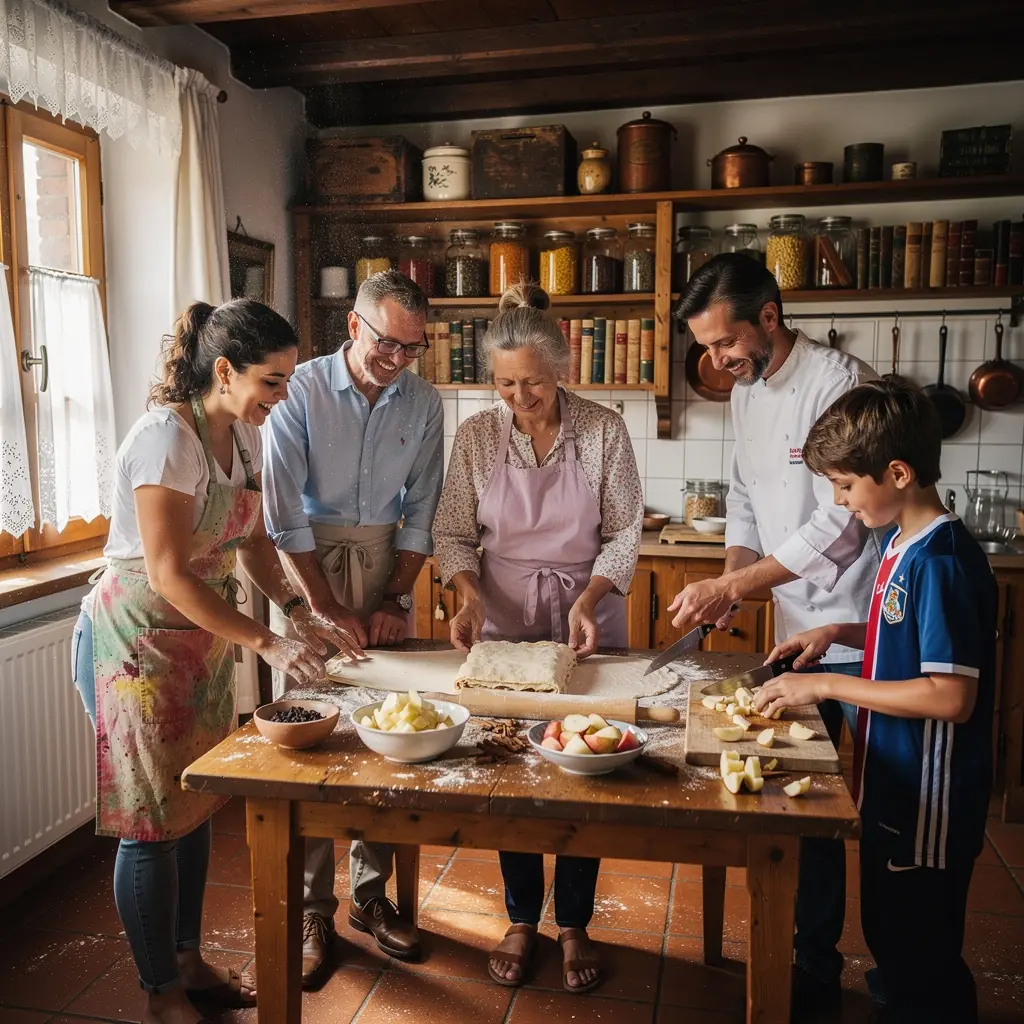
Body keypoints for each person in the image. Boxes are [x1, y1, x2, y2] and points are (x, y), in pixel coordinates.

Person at [71, 299, 358, 1024]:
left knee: (195, 807)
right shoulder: (165, 437)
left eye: (289, 380)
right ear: (224, 371)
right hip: (135, 643)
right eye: (272, 381)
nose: (282, 395)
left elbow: (252, 545)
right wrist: (265, 642)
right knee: (150, 823)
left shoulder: (242, 435)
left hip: (197, 643)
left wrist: (297, 612)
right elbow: (168, 571)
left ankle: (190, 960)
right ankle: (159, 989)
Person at [668, 253, 882, 1012]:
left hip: (862, 629)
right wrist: (734, 577)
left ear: (768, 316)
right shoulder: (746, 390)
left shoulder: (839, 382)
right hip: (799, 633)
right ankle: (812, 956)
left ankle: (892, 969)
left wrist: (736, 584)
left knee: (878, 809)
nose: (719, 363)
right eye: (708, 350)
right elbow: (746, 495)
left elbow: (844, 520)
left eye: (726, 344)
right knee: (801, 798)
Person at [754, 377, 995, 1024]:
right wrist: (838, 633)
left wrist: (826, 682)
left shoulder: (939, 561)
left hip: (931, 803)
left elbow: (950, 696)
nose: (839, 501)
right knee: (893, 934)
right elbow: (903, 634)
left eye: (844, 486)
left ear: (896, 472)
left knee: (922, 952)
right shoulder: (901, 542)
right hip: (895, 786)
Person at [432, 282, 644, 994]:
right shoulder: (475, 436)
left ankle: (575, 920)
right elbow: (454, 533)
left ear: (562, 372)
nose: (518, 397)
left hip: (587, 616)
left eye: (533, 382)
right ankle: (522, 914)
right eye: (504, 383)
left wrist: (589, 598)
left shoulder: (604, 429)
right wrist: (465, 598)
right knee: (509, 771)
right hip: (501, 619)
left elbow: (623, 534)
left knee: (582, 770)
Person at [262, 269, 444, 984]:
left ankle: (371, 898)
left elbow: (422, 508)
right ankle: (313, 908)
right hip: (307, 563)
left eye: (412, 349)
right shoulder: (298, 390)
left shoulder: (425, 401)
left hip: (384, 564)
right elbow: (282, 516)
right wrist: (322, 607)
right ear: (352, 327)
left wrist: (396, 599)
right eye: (386, 344)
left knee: (389, 729)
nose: (397, 361)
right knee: (314, 732)